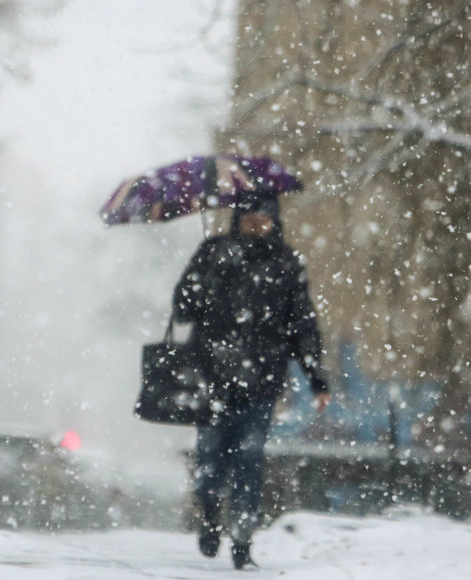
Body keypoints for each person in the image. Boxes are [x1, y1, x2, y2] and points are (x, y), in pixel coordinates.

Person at [172, 189, 331, 570]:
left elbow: (302, 324)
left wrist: (316, 378)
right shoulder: (212, 253)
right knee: (210, 460)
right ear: (237, 219)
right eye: (249, 217)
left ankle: (242, 541)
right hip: (211, 378)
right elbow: (182, 308)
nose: (257, 224)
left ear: (275, 220)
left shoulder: (287, 262)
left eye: (264, 217)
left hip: (261, 381)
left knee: (248, 461)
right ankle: (210, 515)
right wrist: (203, 281)